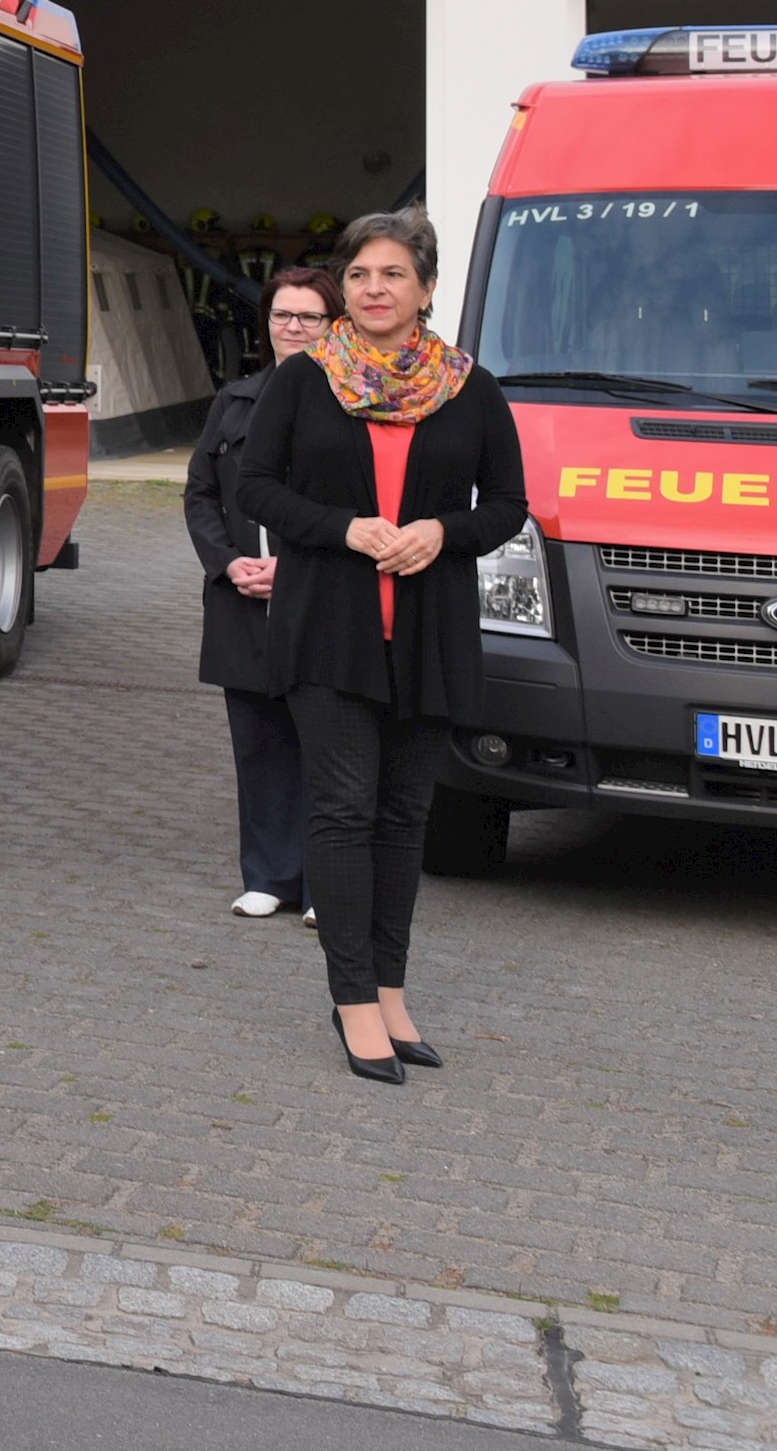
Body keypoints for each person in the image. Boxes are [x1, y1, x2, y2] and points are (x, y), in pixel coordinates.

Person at [233, 209, 525, 1085]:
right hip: (330, 630)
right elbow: (254, 485)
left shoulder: (471, 387)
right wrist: (347, 530)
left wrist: (441, 530)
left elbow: (508, 505)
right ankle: (352, 998)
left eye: (393, 274)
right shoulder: (305, 379)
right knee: (344, 810)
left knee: (405, 818)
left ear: (427, 289)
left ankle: (392, 990)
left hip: (429, 633)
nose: (374, 289)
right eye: (359, 275)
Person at [185, 264, 339, 918]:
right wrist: (227, 563)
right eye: (282, 315)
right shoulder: (235, 402)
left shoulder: (350, 407)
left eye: (308, 317)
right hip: (242, 601)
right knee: (258, 742)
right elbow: (199, 494)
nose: (293, 327)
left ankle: (321, 886)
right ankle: (268, 877)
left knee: (324, 746)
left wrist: (300, 568)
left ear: (335, 328)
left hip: (323, 602)